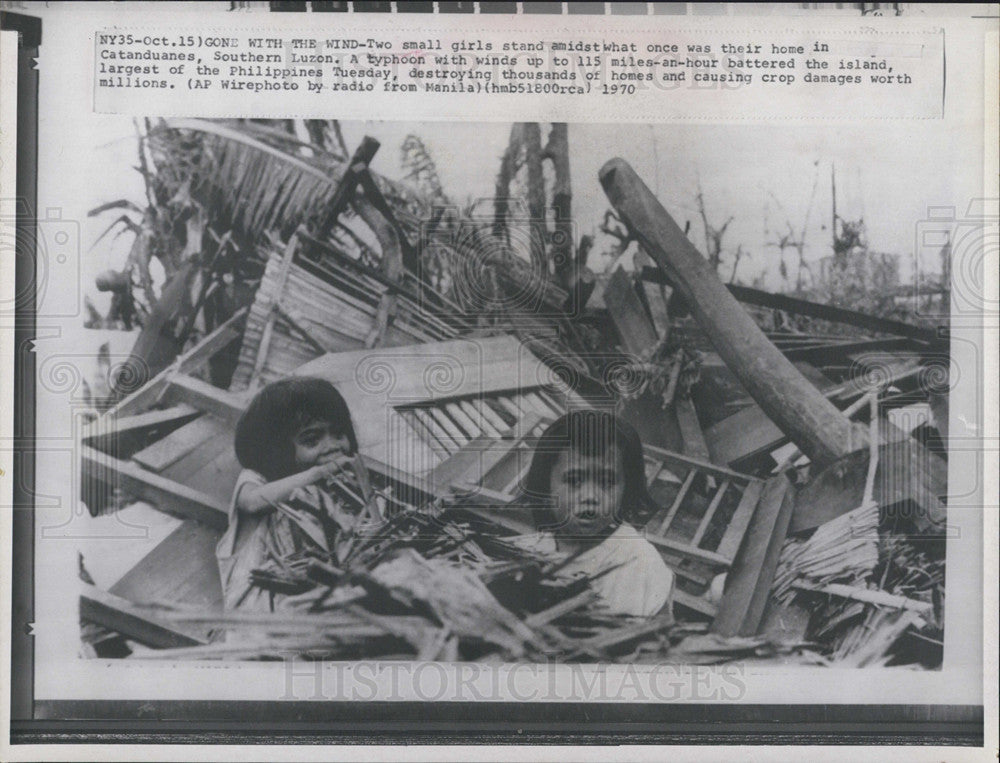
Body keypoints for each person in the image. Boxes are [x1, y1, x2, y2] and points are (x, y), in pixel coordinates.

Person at [216, 376, 359, 612]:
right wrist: (321, 472)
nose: (332, 446)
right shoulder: (257, 480)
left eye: (339, 434)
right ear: (278, 449)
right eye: (312, 440)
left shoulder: (335, 492)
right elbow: (251, 502)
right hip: (260, 623)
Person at [518, 409, 675, 618]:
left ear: (627, 488)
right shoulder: (527, 551)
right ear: (545, 485)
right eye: (574, 480)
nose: (591, 496)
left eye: (607, 482)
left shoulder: (641, 565)